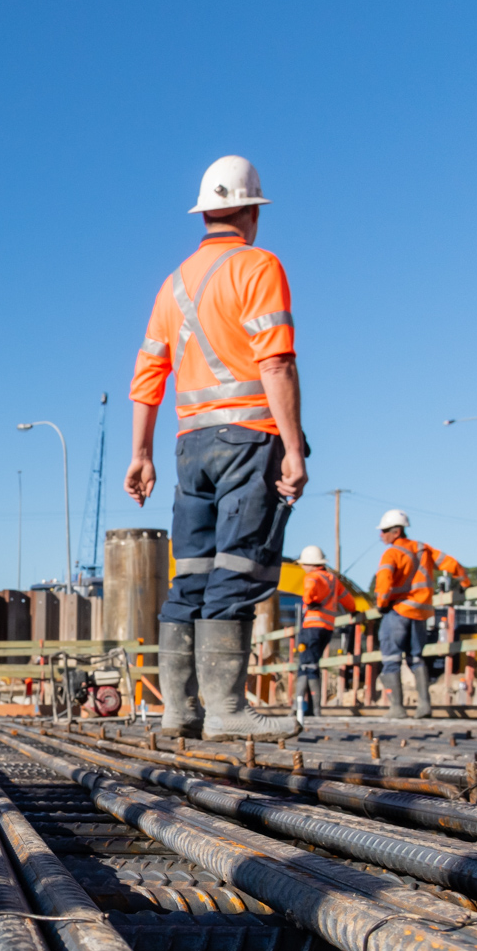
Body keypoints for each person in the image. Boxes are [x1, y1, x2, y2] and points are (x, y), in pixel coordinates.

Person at [126, 155, 307, 742]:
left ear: (205, 214)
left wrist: (141, 453)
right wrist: (295, 447)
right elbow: (275, 360)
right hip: (248, 437)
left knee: (193, 573)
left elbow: (149, 372)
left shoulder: (171, 284)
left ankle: (180, 710)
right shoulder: (258, 266)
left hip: (188, 446)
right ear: (252, 212)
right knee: (238, 566)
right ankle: (228, 710)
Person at [372, 510, 466, 719]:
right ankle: (424, 706)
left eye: (384, 531)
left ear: (396, 532)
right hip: (421, 613)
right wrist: (465, 583)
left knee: (391, 659)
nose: (381, 535)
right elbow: (452, 564)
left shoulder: (392, 553)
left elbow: (385, 580)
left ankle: (397, 708)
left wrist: (381, 604)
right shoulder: (424, 549)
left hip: (397, 611)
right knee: (416, 658)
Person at [295, 545, 354, 717]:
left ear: (310, 564)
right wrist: (354, 610)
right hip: (327, 628)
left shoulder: (312, 576)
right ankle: (309, 707)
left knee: (306, 665)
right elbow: (347, 599)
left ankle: (305, 708)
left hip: (311, 627)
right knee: (313, 664)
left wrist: (310, 600)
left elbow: (308, 592)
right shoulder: (333, 579)